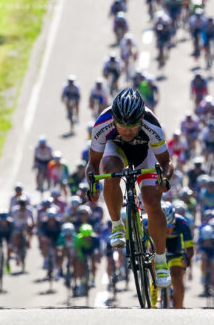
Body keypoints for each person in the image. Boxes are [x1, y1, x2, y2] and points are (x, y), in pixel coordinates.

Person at [87, 88, 174, 288]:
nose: (127, 131)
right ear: (114, 119)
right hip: (117, 152)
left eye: (133, 126)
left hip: (146, 156)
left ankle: (160, 262)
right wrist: (92, 184)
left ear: (141, 119)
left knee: (152, 201)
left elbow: (167, 162)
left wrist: (165, 179)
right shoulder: (102, 123)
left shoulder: (151, 124)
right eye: (122, 126)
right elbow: (93, 164)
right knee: (109, 171)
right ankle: (117, 225)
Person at [162, 202, 194, 308]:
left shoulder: (182, 223)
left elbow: (190, 249)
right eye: (165, 226)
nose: (167, 230)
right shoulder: (151, 222)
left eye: (170, 225)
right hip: (159, 244)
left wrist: (186, 259)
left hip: (175, 247)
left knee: (177, 276)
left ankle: (178, 307)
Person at [73, 223, 101, 295]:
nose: (86, 238)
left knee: (93, 264)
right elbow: (77, 249)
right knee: (80, 264)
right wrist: (80, 257)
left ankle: (93, 279)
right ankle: (81, 280)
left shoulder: (95, 238)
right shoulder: (78, 238)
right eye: (84, 236)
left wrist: (98, 257)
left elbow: (98, 250)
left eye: (88, 236)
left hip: (91, 250)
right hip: (82, 251)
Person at [10, 198, 35, 270]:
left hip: (25, 224)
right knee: (16, 235)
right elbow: (12, 221)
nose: (23, 208)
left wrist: (32, 225)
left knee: (30, 229)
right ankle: (15, 249)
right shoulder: (15, 210)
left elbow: (32, 219)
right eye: (21, 206)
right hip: (17, 225)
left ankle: (28, 241)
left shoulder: (29, 210)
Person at [37, 207, 63, 271]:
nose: (51, 220)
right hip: (47, 239)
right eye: (50, 218)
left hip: (57, 239)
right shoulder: (43, 223)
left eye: (53, 218)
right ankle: (45, 260)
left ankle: (58, 268)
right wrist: (41, 242)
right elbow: (40, 233)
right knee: (44, 245)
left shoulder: (59, 223)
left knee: (58, 253)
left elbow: (62, 234)